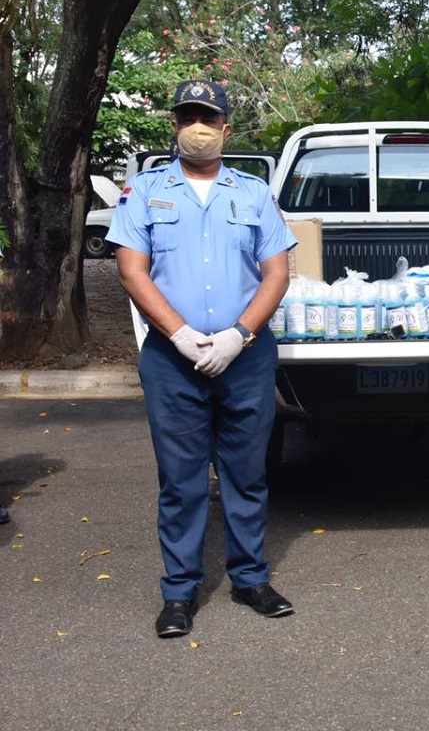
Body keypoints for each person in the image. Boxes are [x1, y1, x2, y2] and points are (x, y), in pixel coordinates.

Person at [107, 79, 297, 638]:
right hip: (173, 357)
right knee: (182, 479)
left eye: (207, 118)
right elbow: (131, 270)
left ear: (225, 129)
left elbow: (277, 272)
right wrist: (182, 334)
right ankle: (180, 592)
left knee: (246, 473)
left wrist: (240, 334)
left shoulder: (254, 193)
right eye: (188, 117)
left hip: (246, 356)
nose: (197, 128)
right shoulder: (144, 191)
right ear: (174, 126)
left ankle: (250, 579)